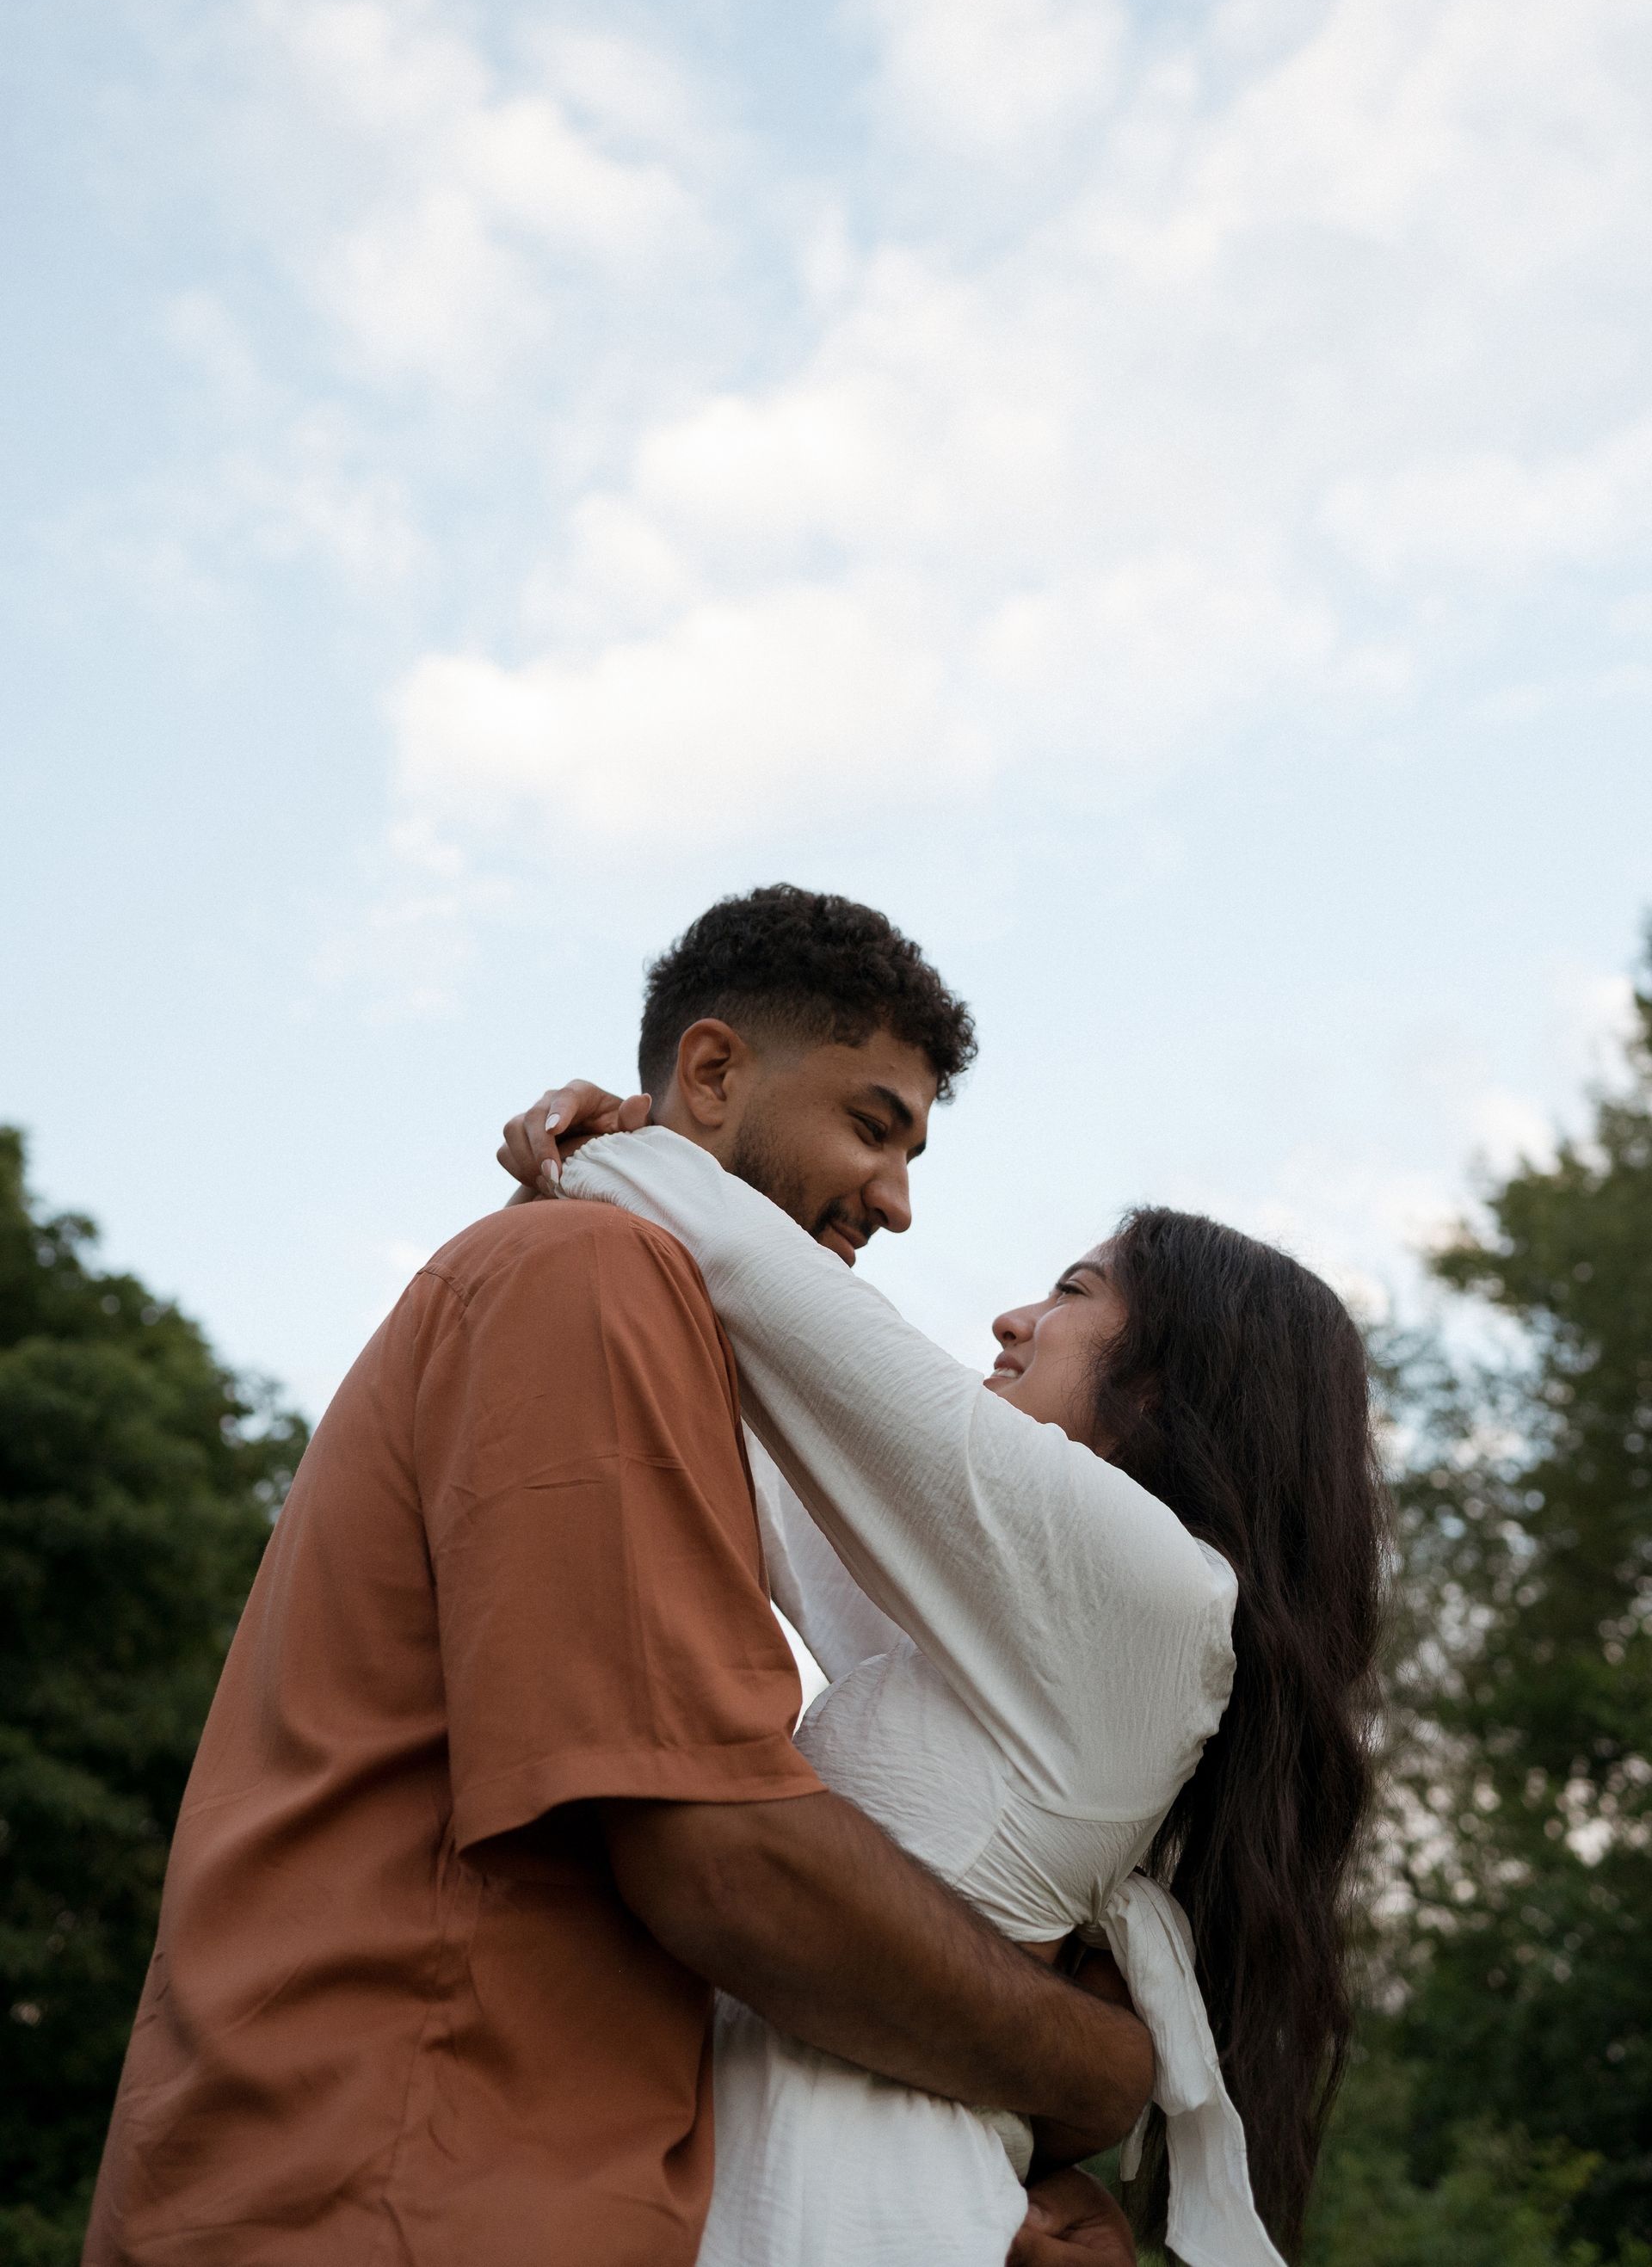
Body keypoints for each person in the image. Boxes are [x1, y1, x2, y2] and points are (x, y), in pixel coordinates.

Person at [84, 886, 1150, 2267]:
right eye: (872, 1125)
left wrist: (958, 2192)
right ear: (710, 1073)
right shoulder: (588, 1271)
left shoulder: (653, 1314)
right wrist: (1098, 2080)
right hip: (386, 2188)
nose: (898, 1199)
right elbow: (720, 1856)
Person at [499, 1015, 1385, 2263]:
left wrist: (601, 1151)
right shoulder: (1005, 1634)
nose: (1012, 1319)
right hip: (770, 2188)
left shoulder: (1154, 1596)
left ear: (1172, 1382)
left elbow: (778, 1305)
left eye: (1073, 1292)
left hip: (874, 2208)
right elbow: (763, 1450)